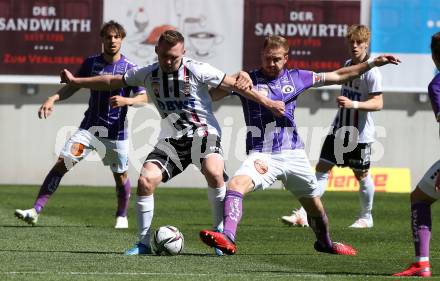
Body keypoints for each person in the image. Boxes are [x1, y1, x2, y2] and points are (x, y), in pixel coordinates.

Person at [58, 30, 285, 256]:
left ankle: (221, 235)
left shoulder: (197, 69)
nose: (168, 61)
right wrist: (76, 81)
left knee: (213, 171)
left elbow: (236, 85)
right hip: (172, 139)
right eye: (164, 55)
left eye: (174, 57)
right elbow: (110, 81)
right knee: (146, 181)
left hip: (203, 133)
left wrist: (268, 102)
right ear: (156, 50)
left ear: (183, 53)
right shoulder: (148, 73)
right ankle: (144, 244)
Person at [199, 35, 400, 256]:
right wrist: (235, 77)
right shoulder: (249, 80)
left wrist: (373, 63)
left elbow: (340, 75)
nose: (271, 63)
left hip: (294, 155)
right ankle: (228, 237)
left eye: (276, 59)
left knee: (315, 207)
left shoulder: (297, 78)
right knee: (235, 185)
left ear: (286, 58)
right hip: (263, 155)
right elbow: (211, 97)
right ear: (261, 56)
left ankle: (325, 243)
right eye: (267, 58)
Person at [14, 21, 147, 229]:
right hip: (89, 130)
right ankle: (35, 210)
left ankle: (122, 215)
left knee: (120, 175)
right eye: (108, 37)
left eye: (116, 37)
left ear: (122, 39)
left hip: (115, 133)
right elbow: (73, 86)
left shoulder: (131, 69)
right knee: (62, 163)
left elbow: (143, 97)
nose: (112, 41)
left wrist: (127, 101)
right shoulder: (91, 63)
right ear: (102, 39)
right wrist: (53, 98)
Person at [281, 25, 382, 228]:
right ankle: (304, 214)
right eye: (351, 42)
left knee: (361, 175)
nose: (354, 46)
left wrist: (353, 104)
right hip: (339, 130)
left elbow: (378, 103)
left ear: (366, 44)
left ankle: (366, 216)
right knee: (322, 169)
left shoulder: (373, 73)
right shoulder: (347, 64)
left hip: (359, 135)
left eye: (359, 42)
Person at [392, 32, 440, 278]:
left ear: (434, 55)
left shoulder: (437, 85)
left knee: (420, 199)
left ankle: (422, 263)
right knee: (420, 196)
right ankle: (421, 263)